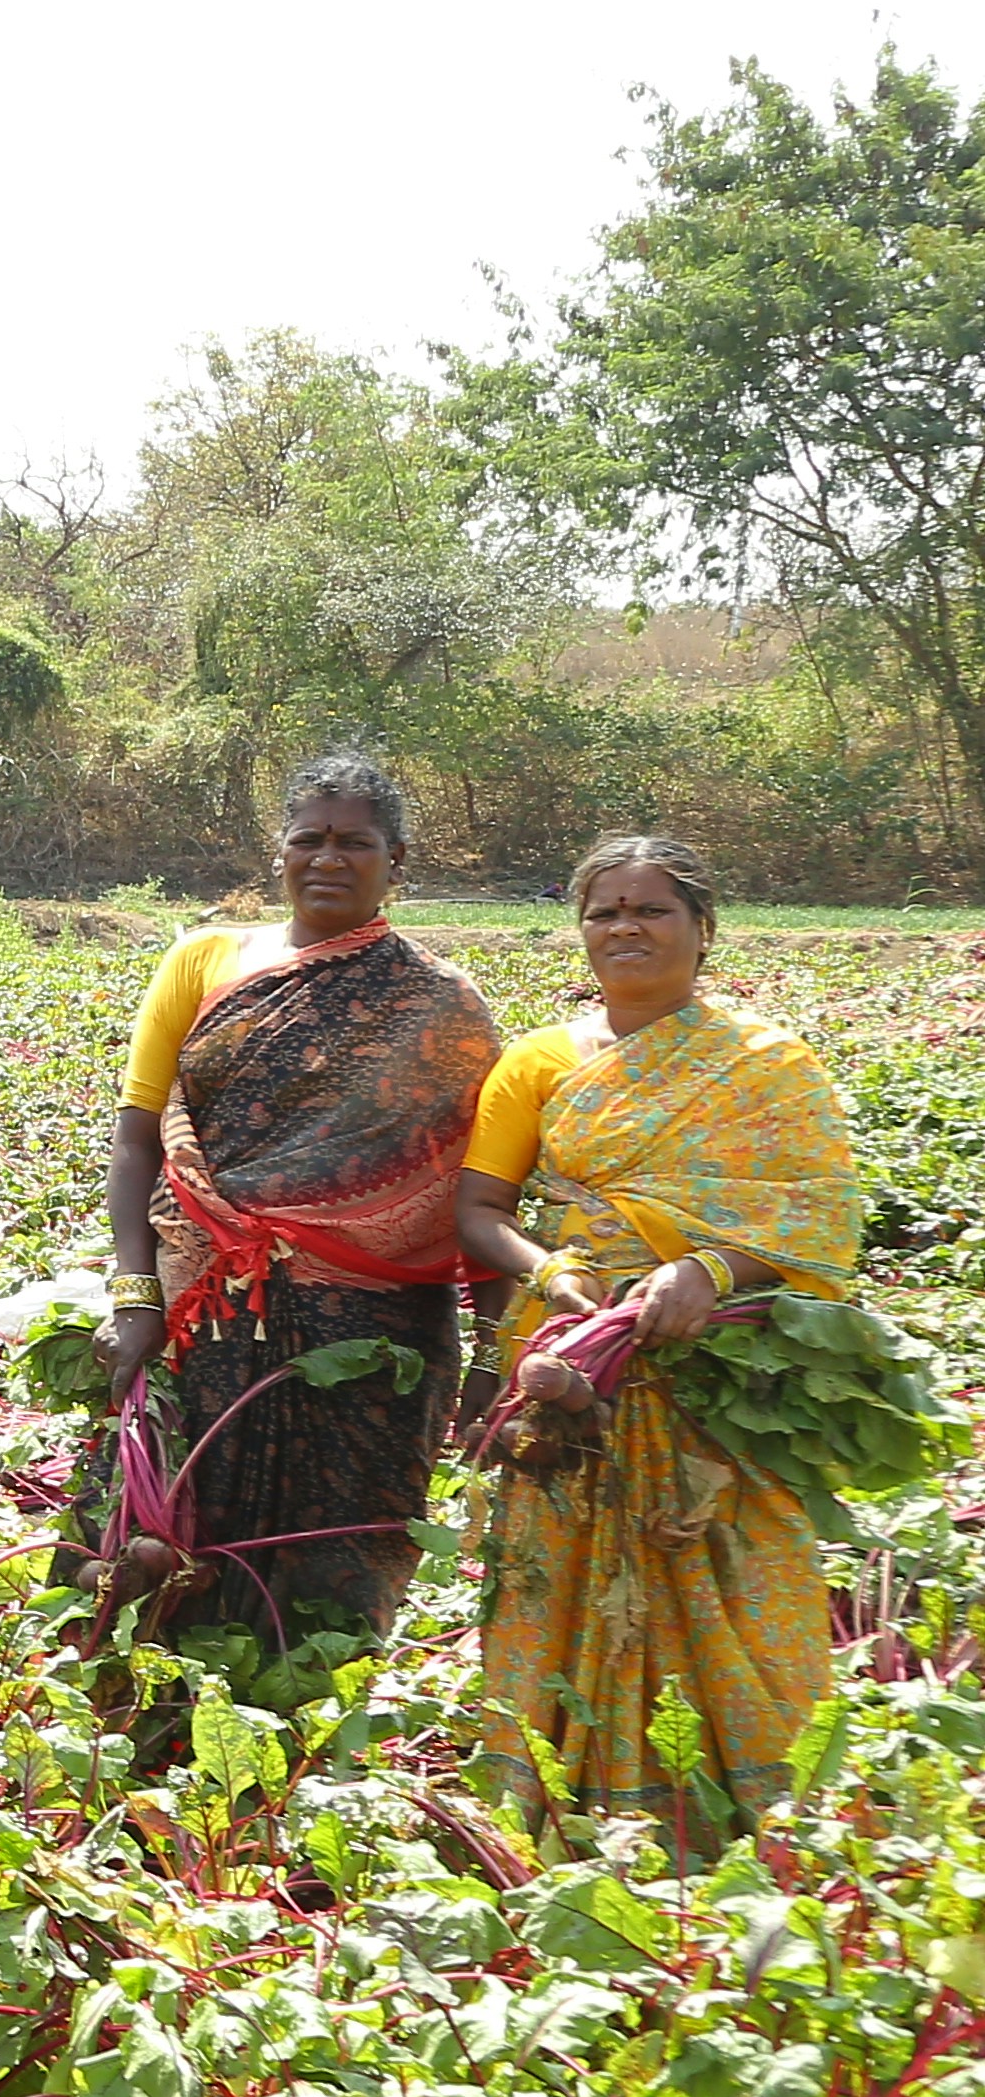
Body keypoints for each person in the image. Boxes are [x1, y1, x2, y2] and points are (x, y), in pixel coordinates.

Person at [452, 835, 863, 1849]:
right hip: (571, 1356)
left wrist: (713, 1269)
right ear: (580, 930)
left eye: (652, 910)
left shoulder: (769, 1067)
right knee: (563, 1562)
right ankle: (559, 1796)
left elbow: (819, 1220)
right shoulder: (540, 1062)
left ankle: (756, 1801)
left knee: (732, 1559)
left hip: (721, 1367)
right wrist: (550, 1273)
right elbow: (479, 1209)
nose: (625, 928)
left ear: (702, 929)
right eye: (604, 912)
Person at [63, 754, 499, 1689]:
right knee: (155, 1533)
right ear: (279, 854)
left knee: (335, 1556)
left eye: (356, 843)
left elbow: (476, 1190)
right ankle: (138, 1740)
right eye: (310, 839)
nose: (329, 858)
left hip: (377, 1337)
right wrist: (136, 1293)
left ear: (398, 860)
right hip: (204, 1301)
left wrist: (497, 1353)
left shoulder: (445, 1005)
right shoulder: (205, 959)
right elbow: (139, 1139)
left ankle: (295, 1751)